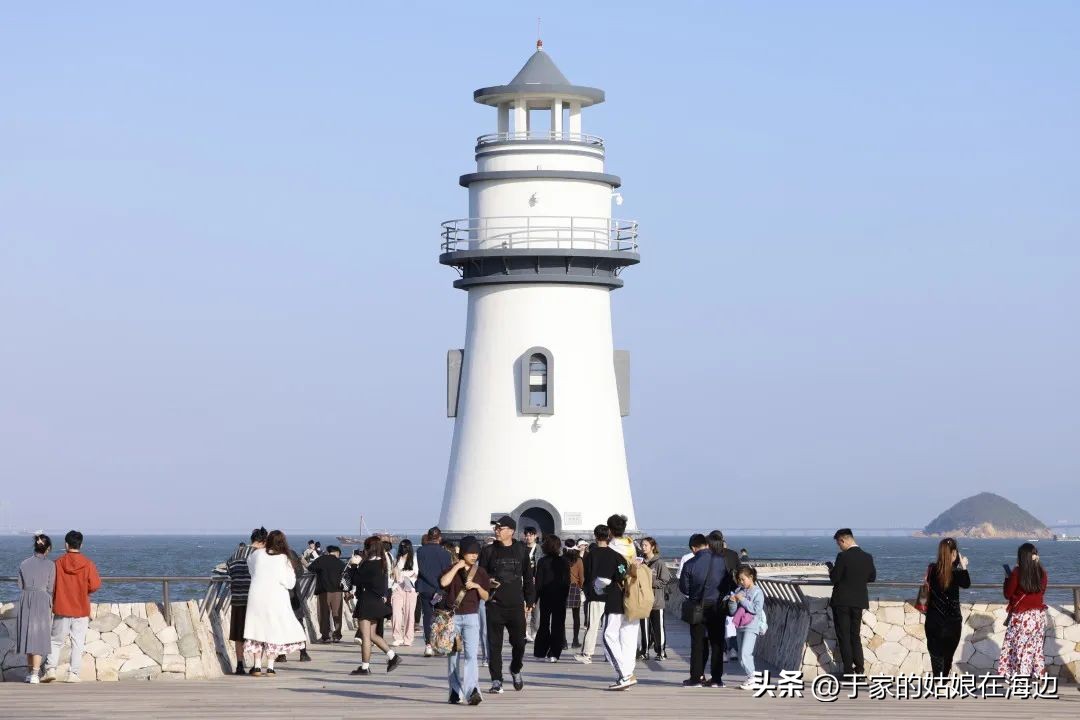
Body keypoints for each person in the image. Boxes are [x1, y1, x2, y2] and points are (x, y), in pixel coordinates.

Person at [478, 515, 535, 693]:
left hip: (516, 604)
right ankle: (496, 680)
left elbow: (528, 577)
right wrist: (487, 584)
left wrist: (530, 600)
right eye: (495, 528)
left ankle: (516, 668)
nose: (496, 531)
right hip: (494, 604)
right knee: (494, 644)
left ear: (510, 531)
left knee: (519, 643)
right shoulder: (488, 551)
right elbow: (481, 576)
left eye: (500, 528)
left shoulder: (521, 550)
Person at [243, 530, 307, 676]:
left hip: (256, 597)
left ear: (267, 541)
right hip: (275, 599)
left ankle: (257, 666)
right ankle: (271, 667)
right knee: (273, 630)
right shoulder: (284, 558)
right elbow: (290, 583)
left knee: (256, 630)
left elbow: (252, 571)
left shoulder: (256, 554)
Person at [43, 530, 101, 683]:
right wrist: (83, 589)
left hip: (62, 607)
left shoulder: (58, 563)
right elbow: (95, 585)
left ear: (66, 544)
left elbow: (51, 585)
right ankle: (73, 674)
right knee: (78, 642)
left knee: (55, 641)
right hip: (81, 608)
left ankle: (50, 669)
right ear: (81, 544)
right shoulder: (88, 564)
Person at [441, 536, 491, 705]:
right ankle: (455, 691)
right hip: (453, 616)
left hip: (471, 616)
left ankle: (472, 691)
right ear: (462, 553)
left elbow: (486, 596)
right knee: (453, 654)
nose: (474, 556)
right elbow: (443, 582)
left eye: (476, 552)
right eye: (470, 552)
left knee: (471, 655)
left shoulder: (481, 572)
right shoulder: (452, 568)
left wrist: (477, 586)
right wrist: (457, 567)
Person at [590, 515, 636, 690]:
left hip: (615, 597)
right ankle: (629, 673)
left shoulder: (611, 551)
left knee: (608, 636)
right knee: (628, 638)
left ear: (609, 531)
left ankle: (624, 675)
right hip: (632, 597)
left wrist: (597, 588)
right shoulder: (631, 546)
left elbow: (604, 579)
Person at [678, 533, 728, 687]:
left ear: (693, 548)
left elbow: (684, 588)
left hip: (698, 607)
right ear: (706, 544)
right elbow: (728, 584)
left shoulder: (690, 563)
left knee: (698, 644)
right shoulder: (721, 561)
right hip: (717, 607)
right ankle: (717, 679)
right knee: (717, 643)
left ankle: (696, 678)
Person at [826, 528, 876, 677]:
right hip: (859, 601)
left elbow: (834, 578)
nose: (839, 547)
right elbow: (872, 577)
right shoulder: (867, 557)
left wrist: (831, 569)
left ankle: (848, 670)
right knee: (855, 635)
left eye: (838, 543)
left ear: (843, 540)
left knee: (844, 635)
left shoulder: (843, 557)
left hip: (842, 601)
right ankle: (859, 668)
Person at [349, 536, 402, 675]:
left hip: (367, 602)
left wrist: (354, 565)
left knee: (365, 636)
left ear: (369, 548)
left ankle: (365, 667)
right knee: (372, 634)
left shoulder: (368, 565)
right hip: (378, 601)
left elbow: (355, 580)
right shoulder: (383, 563)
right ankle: (392, 656)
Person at [996, 542, 1048, 678]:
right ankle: (1038, 675)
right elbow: (1041, 593)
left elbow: (1008, 594)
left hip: (1021, 617)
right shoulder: (1042, 573)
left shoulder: (1017, 573)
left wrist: (1007, 578)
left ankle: (1021, 678)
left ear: (1021, 557)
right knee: (1035, 648)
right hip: (1038, 617)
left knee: (1019, 649)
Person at [921, 537, 971, 677]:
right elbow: (966, 584)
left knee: (935, 652)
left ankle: (937, 680)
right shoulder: (957, 572)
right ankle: (943, 681)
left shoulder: (932, 569)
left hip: (933, 618)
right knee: (948, 653)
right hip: (952, 620)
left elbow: (925, 588)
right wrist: (963, 565)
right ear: (954, 553)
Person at [16, 533, 55, 684]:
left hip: (26, 598)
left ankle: (28, 672)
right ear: (48, 548)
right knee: (38, 637)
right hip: (42, 598)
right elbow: (51, 587)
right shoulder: (51, 565)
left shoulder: (24, 563)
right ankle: (35, 674)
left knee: (27, 635)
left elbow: (20, 585)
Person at [227, 527, 266, 674]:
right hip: (254, 600)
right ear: (263, 541)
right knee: (257, 633)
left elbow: (229, 570)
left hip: (237, 598)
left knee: (238, 635)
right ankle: (257, 665)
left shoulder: (236, 554)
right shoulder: (259, 554)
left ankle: (239, 665)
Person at [575, 524, 611, 664]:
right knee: (609, 628)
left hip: (595, 596)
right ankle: (609, 654)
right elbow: (620, 572)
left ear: (595, 536)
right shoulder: (614, 554)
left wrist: (587, 590)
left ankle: (587, 654)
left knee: (592, 625)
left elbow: (587, 576)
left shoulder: (590, 556)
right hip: (611, 596)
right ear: (608, 536)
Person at [416, 526, 454, 657]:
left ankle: (428, 645)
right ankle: (439, 645)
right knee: (440, 617)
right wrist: (439, 587)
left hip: (425, 588)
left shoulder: (420, 551)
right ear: (440, 538)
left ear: (428, 536)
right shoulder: (446, 554)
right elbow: (446, 572)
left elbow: (422, 570)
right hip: (440, 589)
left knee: (427, 616)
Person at [533, 534, 570, 662]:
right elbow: (567, 581)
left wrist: (534, 598)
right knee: (558, 625)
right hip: (560, 596)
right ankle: (554, 653)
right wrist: (565, 595)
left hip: (545, 596)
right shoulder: (564, 561)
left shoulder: (542, 561)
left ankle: (540, 651)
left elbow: (539, 582)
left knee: (544, 623)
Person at [728, 565, 765, 690]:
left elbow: (756, 609)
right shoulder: (740, 590)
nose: (741, 582)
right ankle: (752, 677)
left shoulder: (758, 592)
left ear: (751, 577)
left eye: (743, 579)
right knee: (741, 656)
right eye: (739, 580)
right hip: (740, 626)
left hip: (752, 626)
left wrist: (743, 600)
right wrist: (732, 601)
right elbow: (733, 612)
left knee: (745, 653)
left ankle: (753, 678)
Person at [638, 537, 671, 661]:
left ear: (652, 547)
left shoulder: (659, 563)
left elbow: (665, 580)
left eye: (646, 545)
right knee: (644, 628)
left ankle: (661, 651)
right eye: (642, 545)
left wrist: (649, 581)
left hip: (656, 601)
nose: (643, 547)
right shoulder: (640, 562)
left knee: (658, 628)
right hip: (643, 601)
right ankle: (644, 651)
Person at [309, 545, 347, 644]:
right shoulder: (340, 562)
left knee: (323, 614)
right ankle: (337, 635)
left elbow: (310, 568)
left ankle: (326, 636)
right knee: (337, 614)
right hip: (338, 591)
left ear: (327, 552)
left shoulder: (321, 559)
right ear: (337, 553)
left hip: (323, 591)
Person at [389, 539, 418, 646]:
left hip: (410, 589)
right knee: (396, 613)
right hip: (398, 588)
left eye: (405, 547)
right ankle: (397, 637)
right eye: (402, 547)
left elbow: (416, 574)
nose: (403, 549)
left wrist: (407, 576)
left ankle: (408, 638)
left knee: (409, 614)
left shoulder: (414, 559)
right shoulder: (396, 560)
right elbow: (392, 575)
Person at [565, 541, 585, 648]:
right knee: (576, 616)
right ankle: (575, 640)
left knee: (561, 616)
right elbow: (581, 577)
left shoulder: (562, 559)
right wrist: (581, 587)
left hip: (563, 588)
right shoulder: (578, 560)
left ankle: (563, 641)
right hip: (575, 587)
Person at [522, 526, 540, 641]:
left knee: (536, 610)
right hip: (523, 583)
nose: (528, 537)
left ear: (535, 536)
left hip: (536, 584)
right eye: (527, 535)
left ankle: (535, 631)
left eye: (531, 535)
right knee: (524, 609)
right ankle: (524, 632)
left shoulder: (540, 549)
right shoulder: (521, 549)